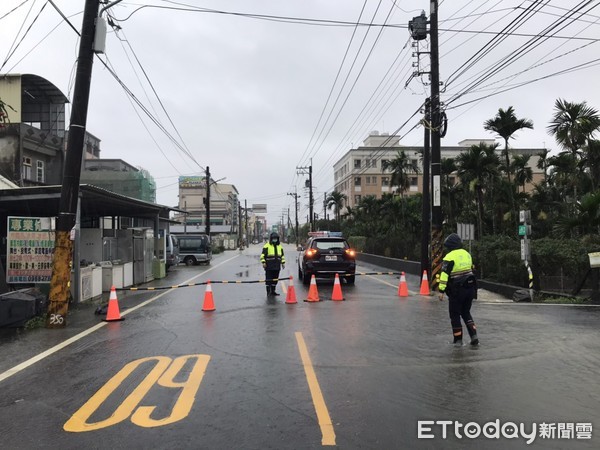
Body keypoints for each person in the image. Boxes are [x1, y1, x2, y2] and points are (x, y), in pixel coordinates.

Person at [438, 233, 479, 347]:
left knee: (455, 314)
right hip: (470, 288)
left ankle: (458, 340)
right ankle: (474, 337)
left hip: (457, 290)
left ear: (450, 246)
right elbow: (472, 269)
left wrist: (441, 291)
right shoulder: (467, 254)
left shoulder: (449, 257)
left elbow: (444, 275)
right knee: (466, 313)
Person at [260, 232, 285, 296]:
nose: (275, 239)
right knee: (268, 279)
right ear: (271, 239)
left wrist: (283, 263)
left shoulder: (280, 247)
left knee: (275, 279)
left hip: (277, 266)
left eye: (276, 238)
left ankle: (273, 291)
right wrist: (263, 262)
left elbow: (282, 256)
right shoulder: (266, 246)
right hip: (269, 266)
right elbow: (262, 256)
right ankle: (268, 292)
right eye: (274, 238)